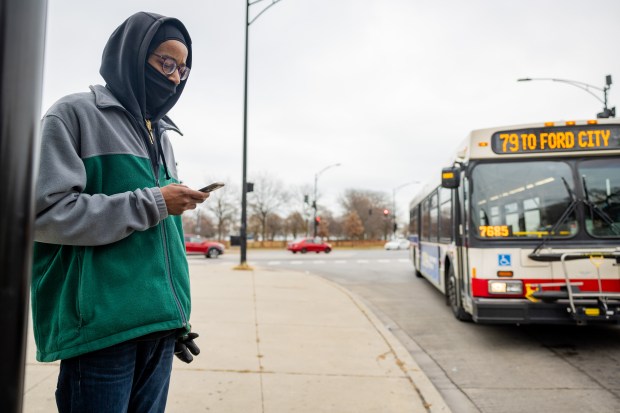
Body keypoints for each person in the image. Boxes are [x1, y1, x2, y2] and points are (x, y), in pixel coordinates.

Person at [32, 12, 207, 412]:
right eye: (166, 63)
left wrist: (174, 317)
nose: (175, 78)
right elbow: (45, 215)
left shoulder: (161, 134)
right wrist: (157, 201)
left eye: (183, 69)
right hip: (101, 334)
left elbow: (161, 238)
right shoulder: (74, 114)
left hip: (159, 330)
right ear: (132, 54)